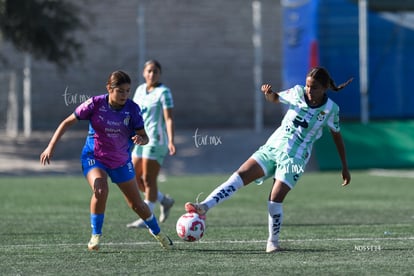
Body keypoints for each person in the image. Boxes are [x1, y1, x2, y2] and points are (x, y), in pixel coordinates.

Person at [185, 67, 352, 253]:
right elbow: (275, 98)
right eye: (307, 86)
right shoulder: (297, 92)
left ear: (324, 89)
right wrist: (269, 94)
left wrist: (344, 166)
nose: (308, 91)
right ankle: (204, 207)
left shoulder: (331, 110)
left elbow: (337, 136)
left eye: (313, 88)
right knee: (239, 176)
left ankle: (272, 243)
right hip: (273, 147)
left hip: (295, 158)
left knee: (275, 197)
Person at [40, 70, 173, 251]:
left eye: (127, 91)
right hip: (94, 157)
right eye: (120, 91)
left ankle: (159, 234)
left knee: (137, 204)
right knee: (100, 188)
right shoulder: (95, 104)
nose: (124, 95)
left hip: (120, 161)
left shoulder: (133, 109)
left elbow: (145, 137)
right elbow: (67, 122)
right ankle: (96, 235)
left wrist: (141, 140)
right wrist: (50, 146)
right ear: (109, 89)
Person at [127, 60, 176, 229]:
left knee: (148, 179)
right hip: (139, 139)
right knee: (133, 178)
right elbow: (132, 112)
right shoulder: (140, 90)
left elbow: (168, 118)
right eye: (149, 71)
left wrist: (171, 140)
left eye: (155, 71)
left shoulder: (164, 92)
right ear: (143, 72)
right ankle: (164, 200)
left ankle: (147, 218)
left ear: (159, 74)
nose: (152, 74)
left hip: (156, 140)